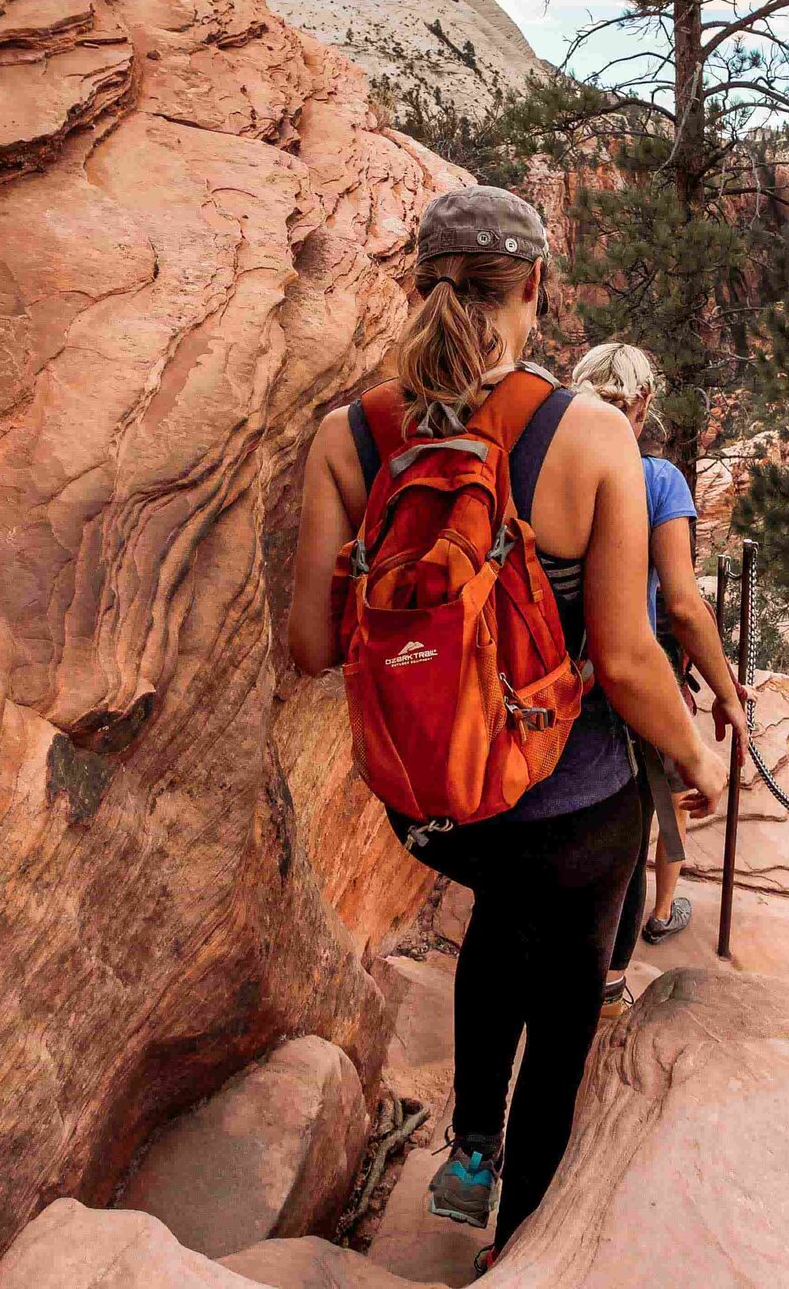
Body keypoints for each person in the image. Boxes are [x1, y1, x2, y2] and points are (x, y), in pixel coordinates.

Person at [286, 188, 730, 1263]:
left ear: (416, 285)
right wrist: (696, 750)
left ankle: (468, 1144)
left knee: (498, 916)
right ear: (534, 285)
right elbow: (627, 657)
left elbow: (308, 645)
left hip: (432, 804)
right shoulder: (588, 434)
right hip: (570, 801)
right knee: (568, 1000)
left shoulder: (349, 435)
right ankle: (516, 1241)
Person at [568, 344, 751, 1012]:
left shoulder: (541, 460)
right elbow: (682, 604)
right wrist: (727, 692)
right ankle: (626, 962)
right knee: (644, 818)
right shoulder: (656, 481)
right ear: (642, 407)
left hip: (540, 685)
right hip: (630, 689)